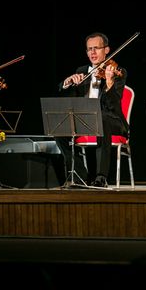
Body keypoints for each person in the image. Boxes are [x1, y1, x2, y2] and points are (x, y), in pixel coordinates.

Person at [56, 32, 128, 188]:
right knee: (59, 129)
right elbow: (66, 94)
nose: (92, 53)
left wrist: (109, 83)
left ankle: (101, 176)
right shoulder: (82, 70)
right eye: (89, 49)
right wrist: (68, 82)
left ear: (107, 50)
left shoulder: (118, 72)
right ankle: (82, 175)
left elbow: (113, 105)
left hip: (112, 120)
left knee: (101, 119)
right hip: (86, 120)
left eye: (96, 48)